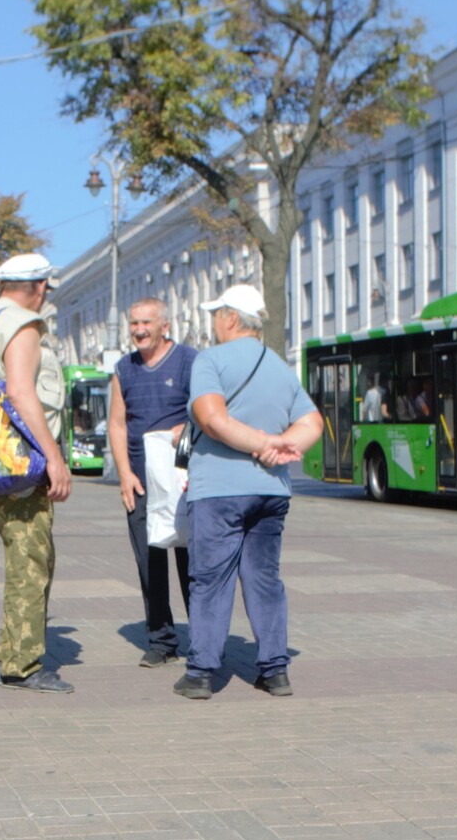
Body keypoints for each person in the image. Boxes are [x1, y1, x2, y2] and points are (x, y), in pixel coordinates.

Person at [173, 284, 324, 700]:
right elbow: (313, 423)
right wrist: (282, 447)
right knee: (264, 578)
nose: (213, 323)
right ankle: (275, 671)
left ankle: (202, 672)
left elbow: (210, 417)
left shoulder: (210, 360)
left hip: (219, 489)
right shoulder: (279, 366)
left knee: (210, 579)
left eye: (215, 314)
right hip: (271, 490)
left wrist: (260, 444)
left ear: (231, 318)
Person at [0, 253, 75, 694]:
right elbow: (20, 392)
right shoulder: (21, 325)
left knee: (22, 554)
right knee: (32, 558)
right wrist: (53, 456)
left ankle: (9, 654)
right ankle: (23, 664)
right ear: (41, 286)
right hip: (18, 457)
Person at [107, 299, 198, 667]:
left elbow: (206, 412)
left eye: (146, 322)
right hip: (142, 484)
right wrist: (125, 474)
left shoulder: (190, 361)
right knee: (150, 562)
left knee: (193, 563)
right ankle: (161, 640)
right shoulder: (123, 369)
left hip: (184, 480)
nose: (139, 329)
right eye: (133, 323)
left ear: (165, 326)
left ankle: (205, 639)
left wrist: (186, 432)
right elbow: (117, 423)